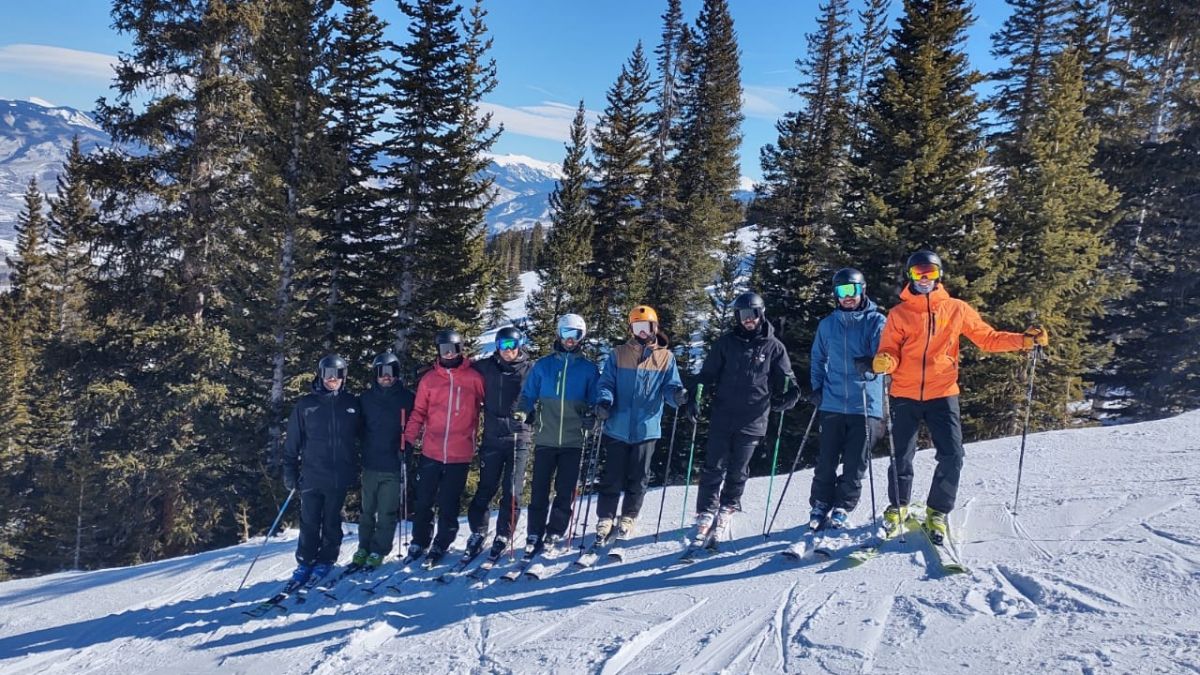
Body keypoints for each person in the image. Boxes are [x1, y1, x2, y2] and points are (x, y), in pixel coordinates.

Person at [872, 250, 1048, 543]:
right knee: (900, 455)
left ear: (939, 275)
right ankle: (899, 506)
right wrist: (885, 361)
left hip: (943, 393)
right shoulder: (899, 314)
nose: (924, 279)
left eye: (929, 272)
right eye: (918, 273)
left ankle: (937, 512)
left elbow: (987, 339)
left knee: (953, 455)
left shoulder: (956, 309)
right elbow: (889, 349)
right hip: (904, 393)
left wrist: (1024, 341)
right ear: (910, 277)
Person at [688, 291, 799, 545]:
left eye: (752, 315)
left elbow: (787, 378)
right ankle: (706, 509)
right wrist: (695, 395)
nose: (748, 320)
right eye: (743, 315)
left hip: (753, 417)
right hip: (723, 414)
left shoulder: (773, 347)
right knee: (713, 465)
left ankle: (728, 505)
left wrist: (790, 395)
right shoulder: (726, 343)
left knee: (738, 468)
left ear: (761, 315)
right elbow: (707, 374)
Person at [594, 306, 686, 542]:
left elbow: (670, 386)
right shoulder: (618, 353)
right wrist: (604, 401)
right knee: (612, 474)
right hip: (617, 425)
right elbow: (606, 383)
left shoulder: (666, 357)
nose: (642, 333)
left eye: (645, 327)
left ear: (654, 327)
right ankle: (605, 516)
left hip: (647, 428)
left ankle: (629, 515)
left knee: (639, 475)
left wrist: (676, 395)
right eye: (637, 327)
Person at [807, 269, 886, 530]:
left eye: (852, 291)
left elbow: (885, 354)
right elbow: (818, 358)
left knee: (855, 462)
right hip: (832, 401)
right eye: (842, 292)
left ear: (862, 290)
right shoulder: (827, 324)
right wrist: (817, 388)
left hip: (865, 402)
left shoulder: (875, 321)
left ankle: (844, 504)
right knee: (826, 460)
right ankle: (820, 502)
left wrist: (872, 364)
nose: (847, 297)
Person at [513, 314, 599, 553]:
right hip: (545, 437)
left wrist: (592, 416)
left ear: (582, 338)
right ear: (559, 335)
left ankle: (555, 532)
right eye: (566, 334)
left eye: (575, 335)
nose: (570, 340)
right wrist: (523, 411)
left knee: (565, 489)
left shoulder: (589, 370)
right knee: (539, 488)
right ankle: (534, 532)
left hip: (573, 439)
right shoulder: (543, 365)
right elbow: (529, 394)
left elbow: (595, 399)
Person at [402, 328, 485, 563]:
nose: (449, 354)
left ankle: (442, 541)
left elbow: (489, 405)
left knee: (449, 500)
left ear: (461, 350)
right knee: (424, 498)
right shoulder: (429, 379)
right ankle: (420, 540)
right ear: (438, 351)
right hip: (432, 449)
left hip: (460, 451)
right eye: (444, 350)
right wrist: (408, 439)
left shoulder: (474, 378)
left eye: (454, 349)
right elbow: (418, 412)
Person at [282, 354, 363, 584]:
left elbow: (366, 435)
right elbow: (292, 442)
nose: (332, 379)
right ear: (321, 375)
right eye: (328, 375)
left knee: (331, 521)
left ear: (343, 377)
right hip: (311, 474)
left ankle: (326, 560)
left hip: (338, 475)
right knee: (309, 521)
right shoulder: (306, 405)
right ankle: (305, 562)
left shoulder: (351, 404)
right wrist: (290, 470)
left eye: (337, 375)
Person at [465, 325, 534, 559]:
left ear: (519, 345)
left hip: (518, 438)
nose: (507, 351)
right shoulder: (488, 367)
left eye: (512, 345)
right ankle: (478, 531)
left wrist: (532, 415)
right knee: (486, 487)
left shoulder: (529, 369)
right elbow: (462, 368)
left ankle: (504, 532)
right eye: (503, 345)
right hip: (493, 437)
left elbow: (543, 394)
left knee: (512, 489)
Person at [355, 351, 415, 569]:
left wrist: (406, 447)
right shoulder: (365, 399)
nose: (386, 376)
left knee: (387, 511)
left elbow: (416, 425)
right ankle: (364, 546)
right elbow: (357, 429)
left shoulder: (407, 398)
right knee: (367, 510)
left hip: (393, 464)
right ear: (375, 374)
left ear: (397, 374)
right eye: (382, 372)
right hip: (370, 463)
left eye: (391, 372)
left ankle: (380, 549)